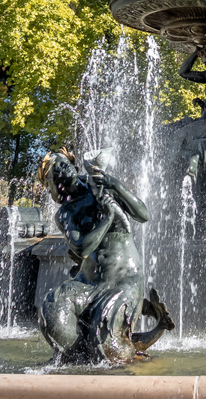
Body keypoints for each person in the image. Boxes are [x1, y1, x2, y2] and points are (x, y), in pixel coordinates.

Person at [37, 149, 172, 363]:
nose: (63, 168)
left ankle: (120, 348)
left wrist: (113, 183)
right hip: (87, 283)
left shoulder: (101, 184)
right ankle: (78, 356)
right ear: (54, 184)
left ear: (73, 164)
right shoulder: (65, 213)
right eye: (56, 170)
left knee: (106, 346)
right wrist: (107, 218)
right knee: (54, 305)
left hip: (122, 278)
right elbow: (81, 248)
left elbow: (143, 215)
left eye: (64, 163)